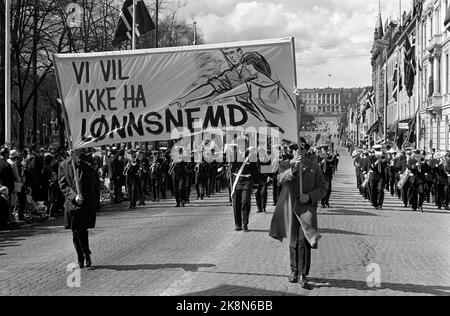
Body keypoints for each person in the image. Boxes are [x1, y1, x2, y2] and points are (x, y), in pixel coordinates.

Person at [269, 137, 326, 289]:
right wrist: (293, 169)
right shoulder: (285, 165)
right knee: (293, 241)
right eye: (294, 149)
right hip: (291, 208)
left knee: (304, 241)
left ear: (306, 150)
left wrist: (310, 196)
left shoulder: (315, 167)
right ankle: (294, 270)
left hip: (306, 209)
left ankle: (303, 273)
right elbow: (280, 179)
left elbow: (322, 188)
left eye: (300, 148)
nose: (297, 151)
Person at [59, 149, 99, 269]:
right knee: (75, 231)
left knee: (82, 230)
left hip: (85, 203)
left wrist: (78, 161)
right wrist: (74, 196)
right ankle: (80, 256)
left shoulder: (86, 163)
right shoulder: (63, 165)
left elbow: (92, 173)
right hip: (72, 204)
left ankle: (86, 253)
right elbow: (62, 184)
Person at [230, 143, 259, 232]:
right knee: (236, 203)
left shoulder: (251, 155)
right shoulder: (234, 155)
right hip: (237, 180)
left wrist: (256, 183)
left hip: (247, 180)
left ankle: (245, 223)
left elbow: (255, 169)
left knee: (245, 201)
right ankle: (238, 224)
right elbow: (232, 167)